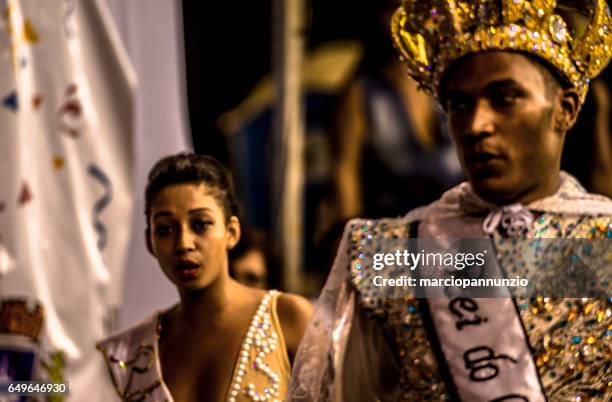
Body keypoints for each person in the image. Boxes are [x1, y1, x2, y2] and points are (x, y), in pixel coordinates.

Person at [288, 1, 612, 401]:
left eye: (504, 98)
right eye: (459, 106)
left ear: (566, 109)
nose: (476, 125)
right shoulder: (394, 254)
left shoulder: (606, 243)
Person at [97, 153, 312, 402]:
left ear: (231, 232)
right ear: (149, 242)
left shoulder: (288, 318)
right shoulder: (129, 352)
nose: (183, 244)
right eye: (165, 229)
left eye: (200, 224)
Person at [333, 0, 462, 221]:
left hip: (455, 227)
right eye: (394, 8)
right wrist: (353, 237)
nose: (409, 17)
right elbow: (345, 172)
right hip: (395, 229)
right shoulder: (363, 92)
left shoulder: (452, 84)